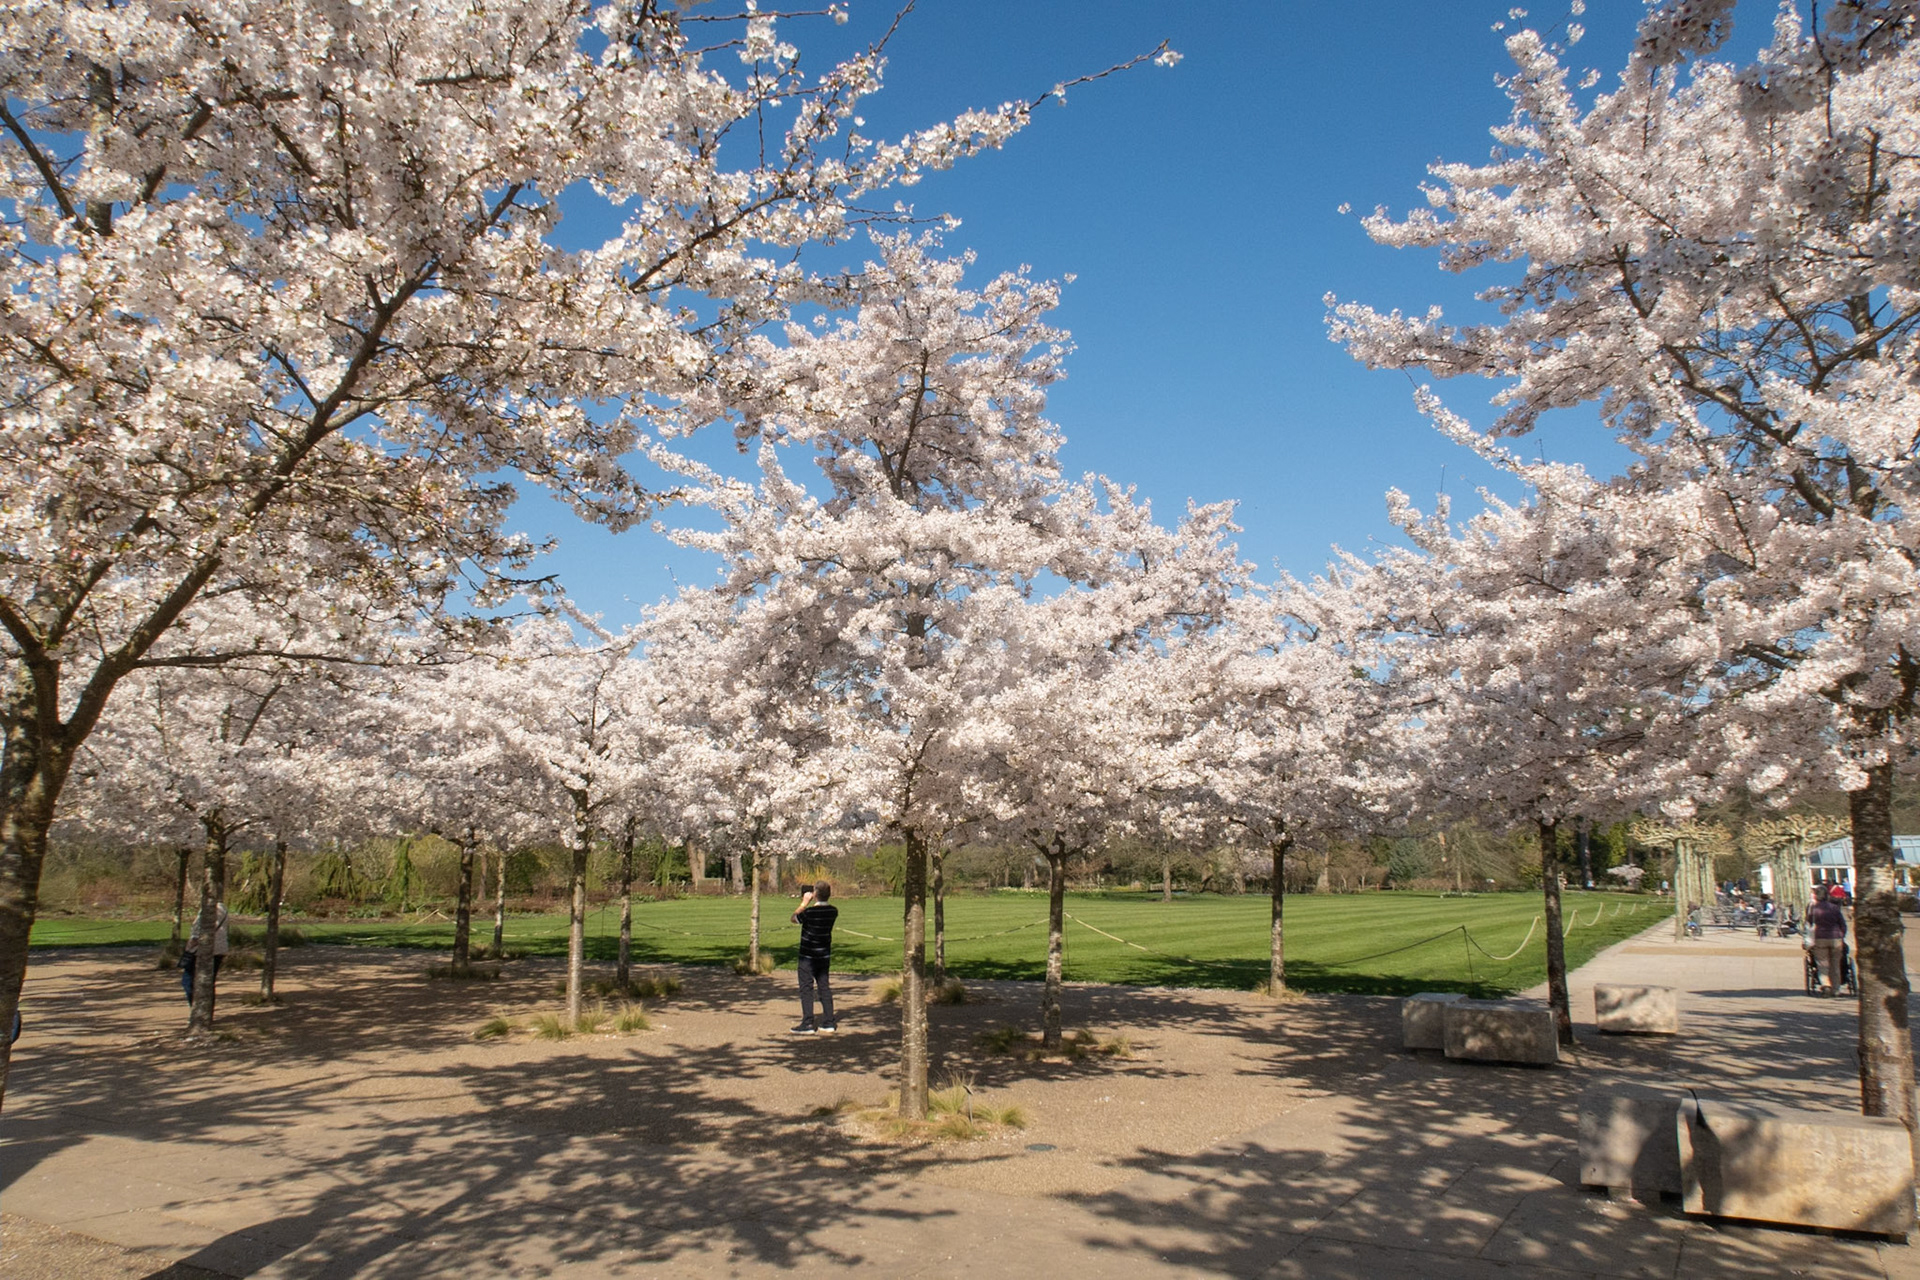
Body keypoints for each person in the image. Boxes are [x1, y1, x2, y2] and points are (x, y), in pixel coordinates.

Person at [789, 881, 838, 1034]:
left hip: (808, 956)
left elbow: (794, 918)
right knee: (824, 986)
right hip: (823, 955)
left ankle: (808, 1022)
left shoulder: (809, 913)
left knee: (806, 988)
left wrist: (804, 903)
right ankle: (829, 1021)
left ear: (815, 894)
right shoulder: (833, 911)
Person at [181, 901, 229, 1004]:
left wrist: (191, 944)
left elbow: (201, 929)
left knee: (188, 980)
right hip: (219, 949)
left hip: (203, 950)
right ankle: (205, 1009)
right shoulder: (222, 908)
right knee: (208, 982)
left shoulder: (210, 908)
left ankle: (196, 1007)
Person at [1808, 885, 1849, 997]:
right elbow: (1842, 924)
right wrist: (1842, 935)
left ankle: (1826, 985)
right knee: (1835, 964)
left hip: (1820, 938)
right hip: (1835, 938)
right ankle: (1836, 989)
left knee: (1822, 964)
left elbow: (1809, 923)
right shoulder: (1834, 908)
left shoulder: (1814, 908)